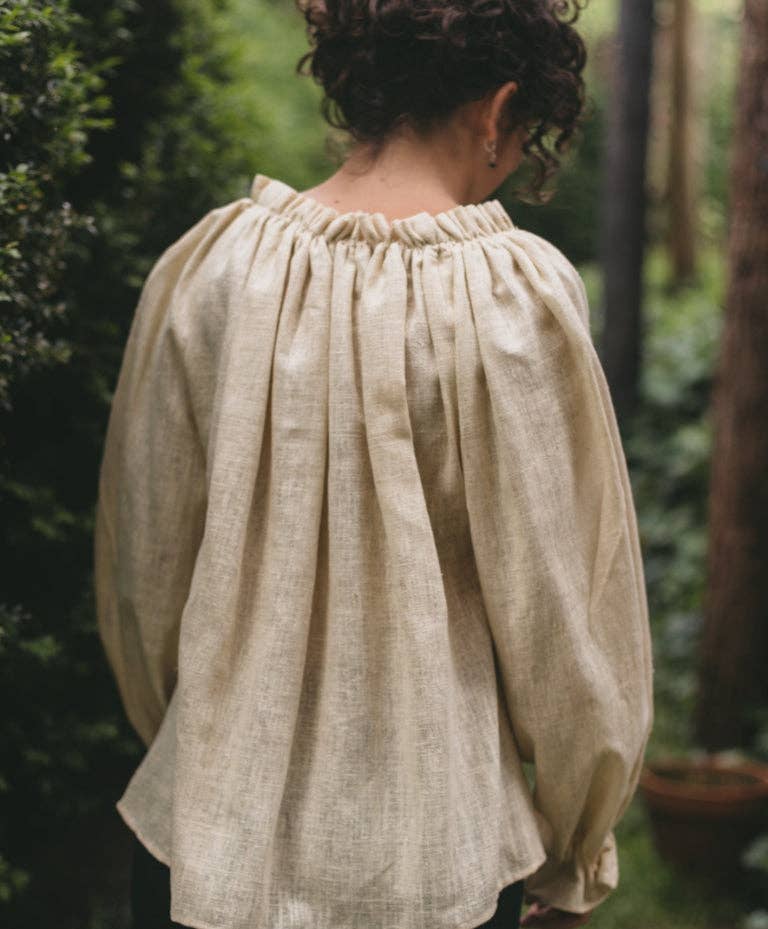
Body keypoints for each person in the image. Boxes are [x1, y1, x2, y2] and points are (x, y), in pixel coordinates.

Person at [93, 1, 655, 927]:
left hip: (200, 838)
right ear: (499, 107)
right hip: (439, 860)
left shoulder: (212, 269)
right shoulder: (514, 299)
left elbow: (146, 567)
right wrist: (577, 843)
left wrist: (201, 741)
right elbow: (563, 617)